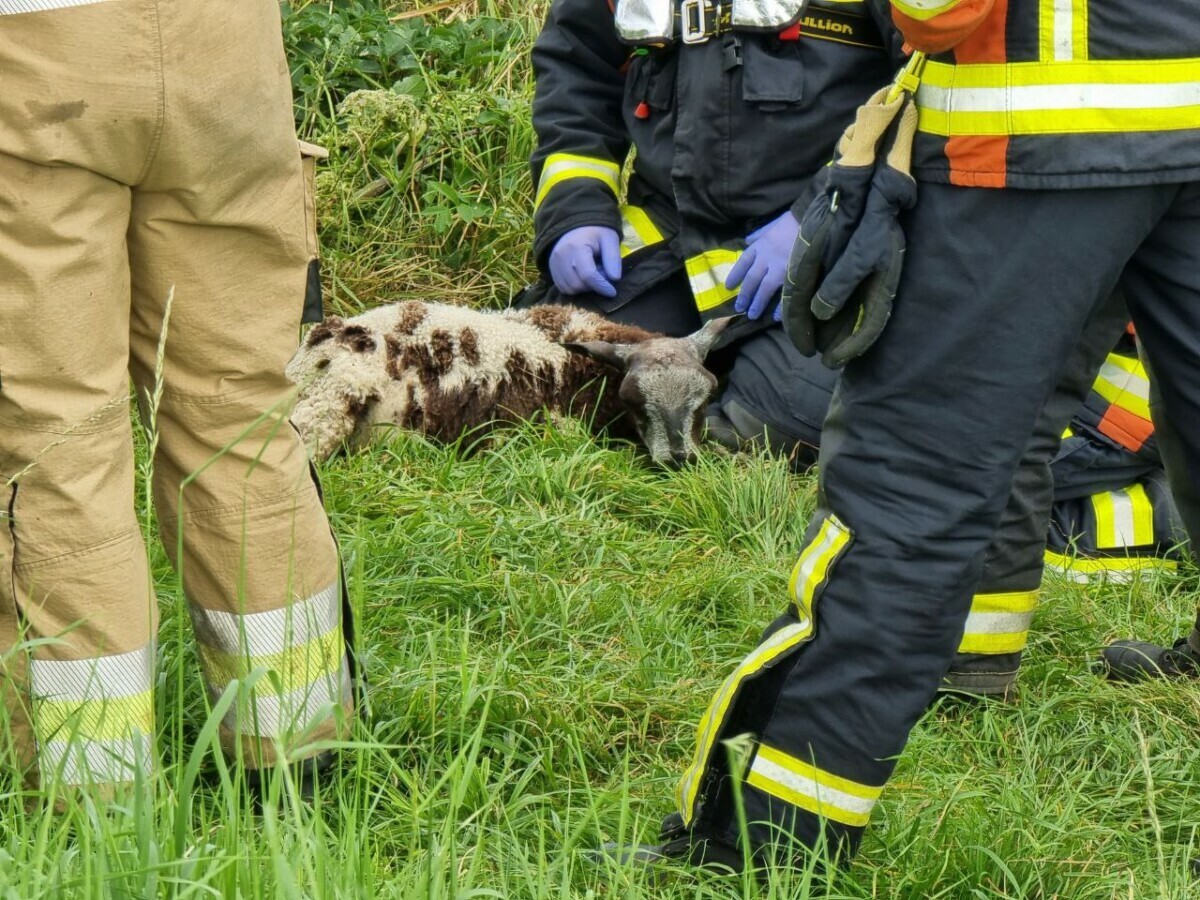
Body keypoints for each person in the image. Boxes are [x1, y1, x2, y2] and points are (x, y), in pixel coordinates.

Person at [588, 0, 1200, 873]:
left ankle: (768, 841)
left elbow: (938, 12)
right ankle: (975, 661)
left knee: (909, 485)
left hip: (1033, 136)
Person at [0, 0, 356, 795]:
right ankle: (298, 754)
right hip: (222, 43)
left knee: (60, 445)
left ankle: (95, 794)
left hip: (32, 51)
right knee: (238, 415)